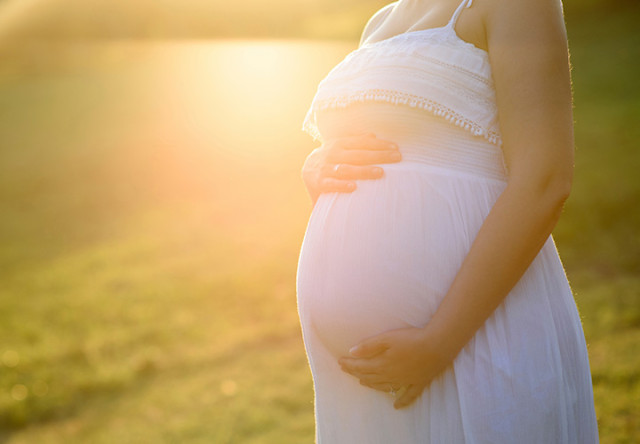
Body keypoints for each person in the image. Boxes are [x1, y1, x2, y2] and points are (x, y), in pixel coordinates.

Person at [296, 0, 599, 442]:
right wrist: (320, 164)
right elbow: (382, 149)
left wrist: (439, 341)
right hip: (360, 379)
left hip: (475, 336)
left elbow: (545, 180)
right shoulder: (382, 20)